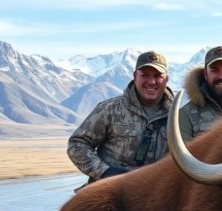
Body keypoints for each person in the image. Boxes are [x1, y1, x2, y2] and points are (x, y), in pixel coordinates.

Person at [68, 50, 173, 187]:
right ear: (135, 76)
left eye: (158, 76)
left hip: (154, 194)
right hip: (108, 190)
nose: (151, 81)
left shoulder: (177, 116)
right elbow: (77, 144)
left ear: (166, 79)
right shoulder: (110, 109)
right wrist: (105, 172)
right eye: (145, 75)